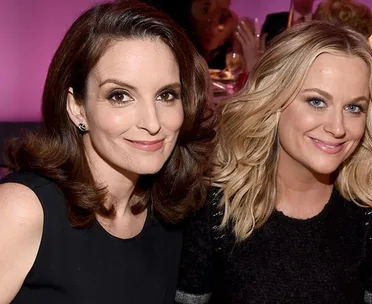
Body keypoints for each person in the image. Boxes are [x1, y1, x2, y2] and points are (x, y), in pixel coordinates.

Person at [0, 1, 215, 303]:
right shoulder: (21, 210)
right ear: (77, 107)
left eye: (166, 95)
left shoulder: (169, 211)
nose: (152, 123)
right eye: (120, 96)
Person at [176, 21, 372, 304]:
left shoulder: (370, 213)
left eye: (353, 108)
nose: (338, 127)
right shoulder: (215, 206)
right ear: (274, 99)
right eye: (317, 102)